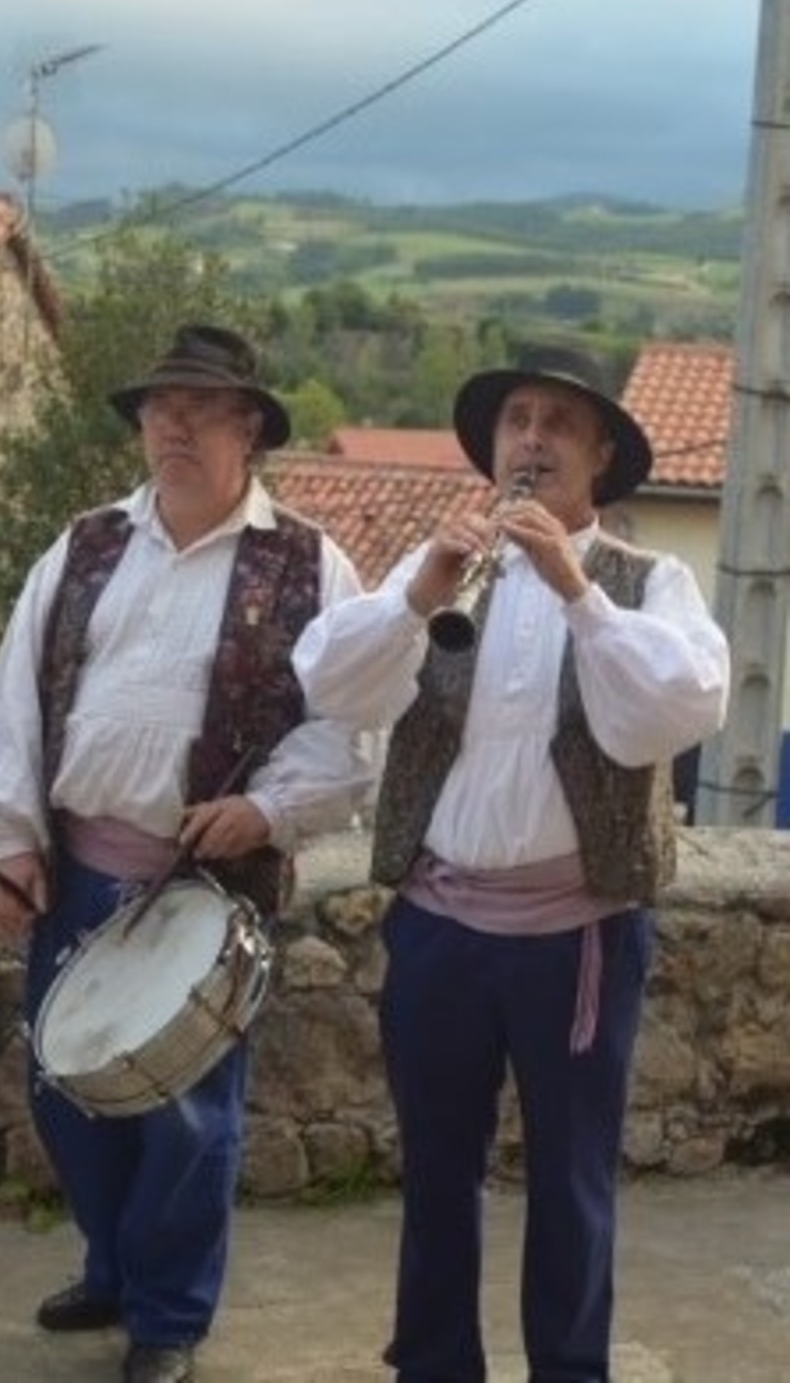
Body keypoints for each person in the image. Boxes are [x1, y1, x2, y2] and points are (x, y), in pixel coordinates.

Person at [292, 347, 730, 1383]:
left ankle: (568, 1370)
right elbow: (330, 684)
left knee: (571, 1177)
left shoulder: (647, 581)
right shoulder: (440, 564)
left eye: (557, 424)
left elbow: (676, 708)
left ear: (599, 455)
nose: (531, 440)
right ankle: (434, 1363)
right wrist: (415, 597)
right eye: (516, 421)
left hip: (576, 936)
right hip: (439, 926)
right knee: (436, 1172)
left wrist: (576, 592)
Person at [0, 324, 369, 1383]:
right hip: (77, 869)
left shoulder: (309, 563)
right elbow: (14, 698)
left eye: (200, 409)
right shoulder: (85, 544)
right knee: (66, 1089)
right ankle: (113, 1266)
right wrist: (13, 841)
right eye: (159, 408)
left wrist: (269, 811)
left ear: (249, 430)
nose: (174, 427)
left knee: (188, 1118)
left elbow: (345, 726)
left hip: (210, 885)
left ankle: (169, 1315)